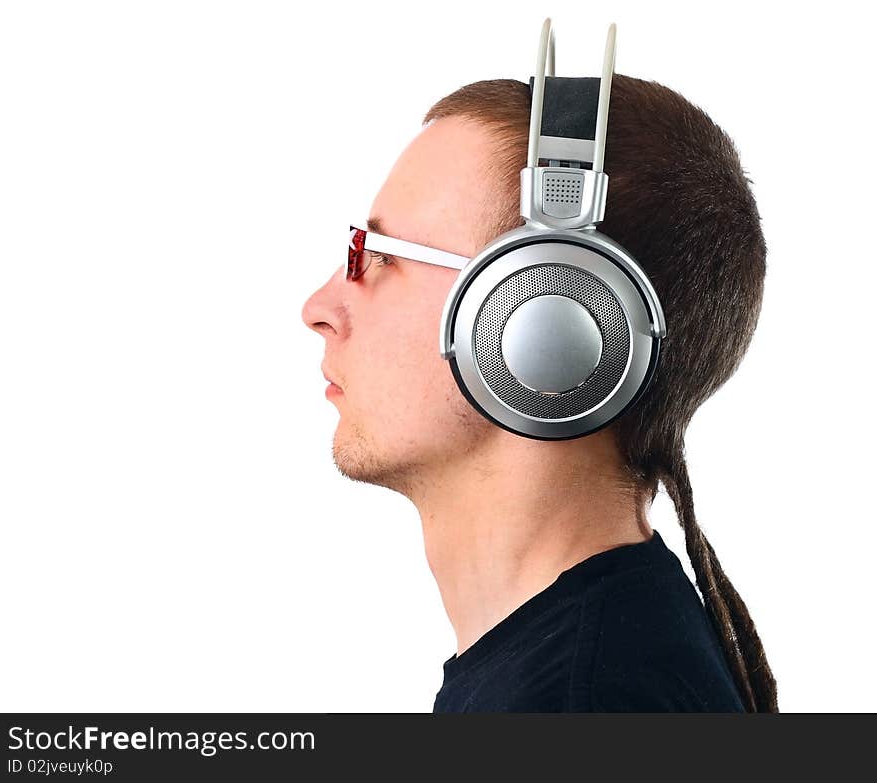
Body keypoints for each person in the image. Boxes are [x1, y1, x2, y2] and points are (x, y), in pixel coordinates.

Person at [301, 75, 779, 712]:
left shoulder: (588, 702)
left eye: (380, 255)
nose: (319, 308)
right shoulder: (591, 667)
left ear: (550, 308)